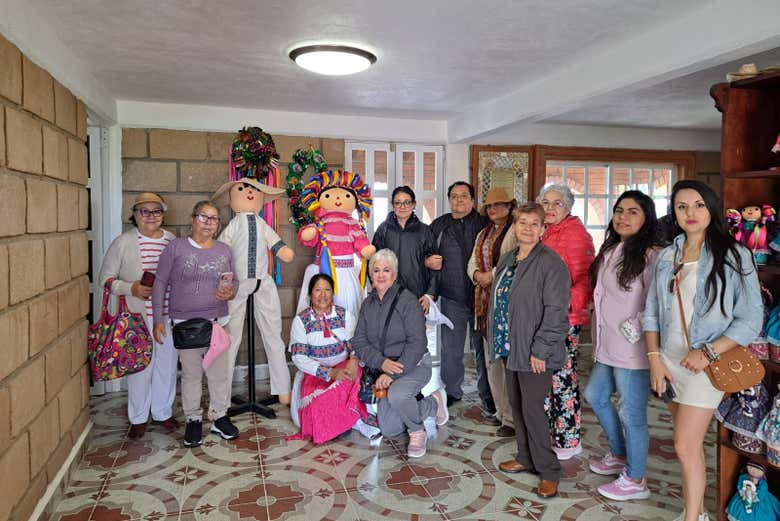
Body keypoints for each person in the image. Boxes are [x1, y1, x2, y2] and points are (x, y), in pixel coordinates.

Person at [644, 180, 762, 521]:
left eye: (698, 205)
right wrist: (654, 359)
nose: (690, 213)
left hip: (706, 365)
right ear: (674, 212)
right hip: (670, 361)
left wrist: (708, 352)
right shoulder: (668, 255)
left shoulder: (735, 255)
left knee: (683, 444)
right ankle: (694, 512)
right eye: (682, 207)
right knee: (689, 448)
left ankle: (692, 518)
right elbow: (651, 312)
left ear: (711, 208)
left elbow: (751, 318)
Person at [584, 190, 663, 501]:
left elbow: (659, 301)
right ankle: (619, 453)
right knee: (595, 394)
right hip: (607, 344)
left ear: (646, 219)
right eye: (619, 210)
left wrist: (637, 326)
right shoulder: (612, 249)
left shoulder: (653, 256)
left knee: (631, 413)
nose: (623, 217)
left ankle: (636, 478)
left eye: (633, 212)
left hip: (634, 348)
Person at [492, 203, 571, 499]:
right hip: (510, 345)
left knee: (533, 409)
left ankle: (549, 471)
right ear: (514, 226)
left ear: (542, 229)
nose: (527, 228)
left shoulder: (551, 263)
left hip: (534, 351)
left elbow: (556, 312)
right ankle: (525, 457)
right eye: (522, 222)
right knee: (517, 405)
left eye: (533, 223)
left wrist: (541, 350)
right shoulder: (509, 258)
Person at [152, 201, 240, 448]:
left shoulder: (224, 250)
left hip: (217, 323)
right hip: (186, 325)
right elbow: (160, 282)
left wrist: (230, 291)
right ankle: (193, 419)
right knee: (191, 375)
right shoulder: (176, 248)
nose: (208, 223)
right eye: (203, 217)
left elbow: (235, 282)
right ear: (193, 219)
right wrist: (158, 319)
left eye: (214, 219)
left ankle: (219, 417)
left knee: (219, 375)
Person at [352, 249, 449, 458]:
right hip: (385, 369)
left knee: (397, 394)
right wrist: (382, 363)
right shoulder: (368, 304)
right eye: (376, 270)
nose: (381, 275)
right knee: (389, 428)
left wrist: (391, 373)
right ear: (371, 274)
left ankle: (417, 431)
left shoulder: (408, 301)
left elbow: (417, 343)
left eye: (386, 270)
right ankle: (430, 403)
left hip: (414, 365)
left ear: (394, 275)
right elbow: (359, 342)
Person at [98, 192, 178, 439]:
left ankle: (162, 412)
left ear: (163, 214)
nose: (151, 216)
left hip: (168, 316)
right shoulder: (123, 242)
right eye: (144, 211)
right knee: (140, 368)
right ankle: (138, 417)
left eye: (156, 211)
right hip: (137, 318)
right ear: (134, 215)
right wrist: (130, 287)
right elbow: (105, 279)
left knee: (167, 366)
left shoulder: (171, 240)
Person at [213, 177, 294, 406]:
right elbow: (220, 251)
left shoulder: (262, 224)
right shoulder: (233, 225)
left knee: (273, 335)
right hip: (236, 287)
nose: (249, 193)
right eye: (243, 189)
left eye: (254, 190)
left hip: (262, 283)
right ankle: (220, 398)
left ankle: (282, 389)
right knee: (229, 339)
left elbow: (276, 244)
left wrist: (283, 251)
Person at [286, 274, 380, 444]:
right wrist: (329, 373)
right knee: (319, 405)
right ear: (310, 294)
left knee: (349, 379)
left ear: (333, 293)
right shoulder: (301, 321)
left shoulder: (344, 315)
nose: (323, 295)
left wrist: (353, 361)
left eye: (327, 290)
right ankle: (351, 419)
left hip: (344, 367)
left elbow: (356, 344)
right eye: (318, 290)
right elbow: (299, 358)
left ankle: (354, 421)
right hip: (314, 375)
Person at [538, 183, 595, 459]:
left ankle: (569, 440)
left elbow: (585, 280)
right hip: (543, 317)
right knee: (546, 378)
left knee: (562, 378)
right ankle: (552, 435)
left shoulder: (575, 234)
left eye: (557, 203)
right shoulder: (545, 230)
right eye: (545, 202)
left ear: (568, 207)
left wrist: (560, 303)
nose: (550, 208)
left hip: (563, 318)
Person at [430, 181, 490, 407]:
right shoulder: (439, 225)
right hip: (452, 296)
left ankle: (488, 395)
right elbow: (426, 253)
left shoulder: (484, 224)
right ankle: (452, 391)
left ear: (473, 200)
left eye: (464, 196)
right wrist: (428, 262)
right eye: (454, 196)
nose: (459, 200)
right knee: (451, 349)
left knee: (483, 349)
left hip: (482, 297)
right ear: (449, 200)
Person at [467, 187, 517, 433]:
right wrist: (477, 274)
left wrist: (491, 275)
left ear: (509, 206)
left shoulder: (516, 230)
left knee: (507, 361)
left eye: (498, 204)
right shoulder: (484, 233)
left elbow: (515, 260)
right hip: (485, 303)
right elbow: (472, 262)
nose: (493, 209)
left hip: (507, 304)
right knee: (492, 360)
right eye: (489, 206)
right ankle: (499, 411)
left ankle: (511, 418)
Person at [372, 185, 437, 312]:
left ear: (414, 204)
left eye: (407, 202)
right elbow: (373, 261)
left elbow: (436, 266)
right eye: (398, 203)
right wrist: (377, 285)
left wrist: (429, 295)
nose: (402, 207)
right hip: (388, 294)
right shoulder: (383, 229)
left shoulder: (424, 231)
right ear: (393, 205)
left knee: (415, 325)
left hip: (417, 296)